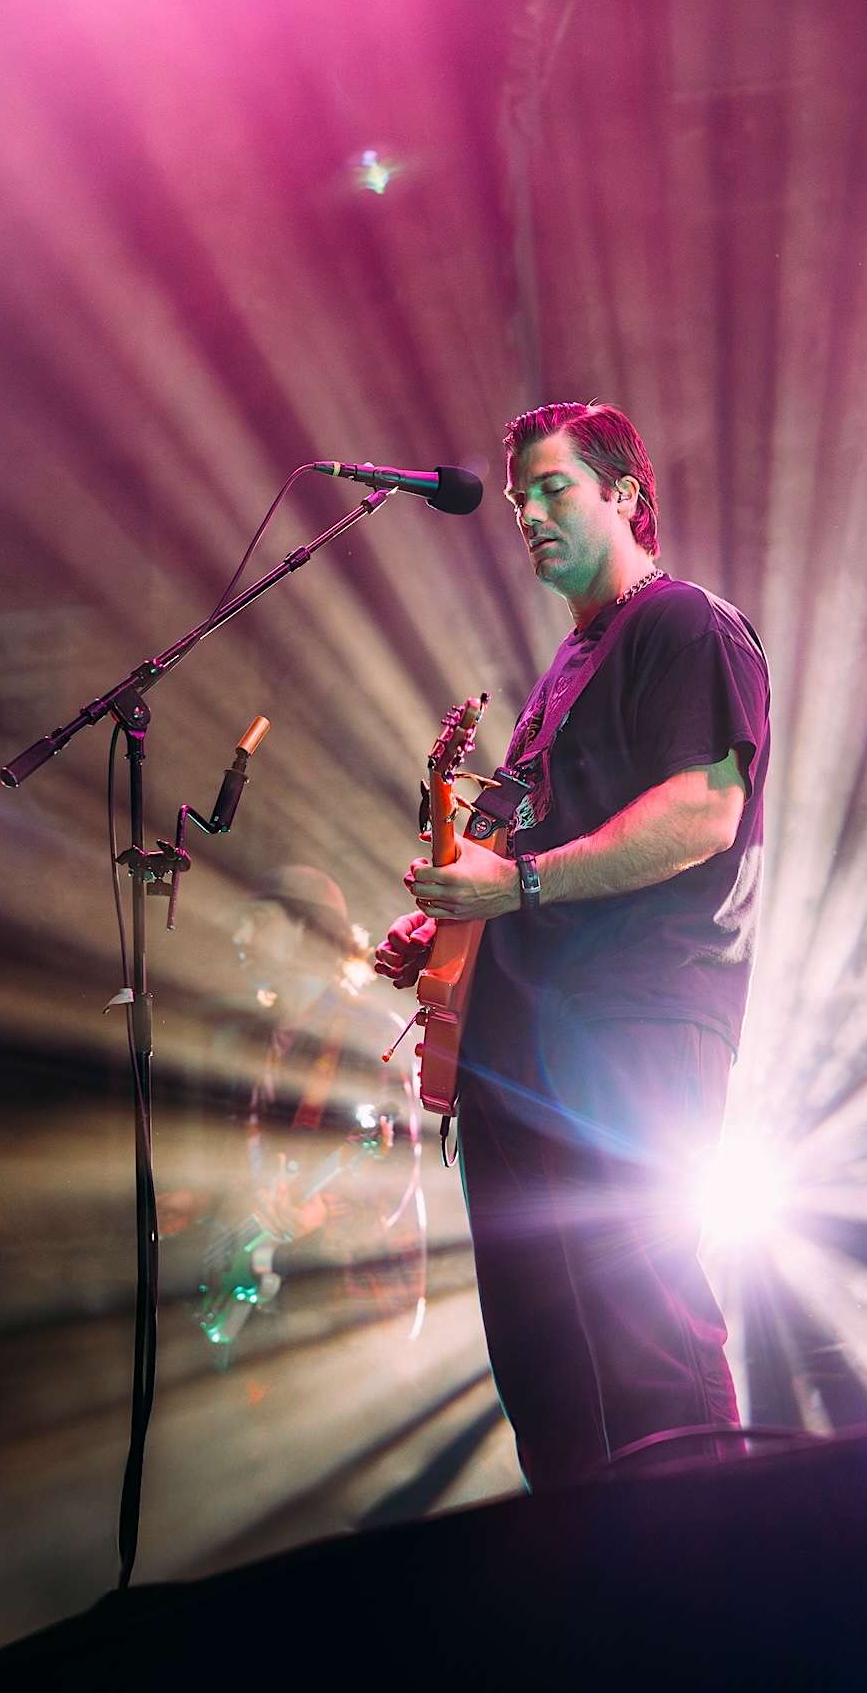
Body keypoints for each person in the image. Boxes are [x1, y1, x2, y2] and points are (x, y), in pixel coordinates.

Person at [375, 401, 770, 1488]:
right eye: (519, 499)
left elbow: (702, 812)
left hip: (629, 1024)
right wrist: (448, 921)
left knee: (647, 1337)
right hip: (518, 1051)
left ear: (625, 494)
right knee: (545, 1371)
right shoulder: (564, 666)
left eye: (554, 488)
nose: (529, 515)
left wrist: (518, 883)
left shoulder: (684, 624)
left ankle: (723, 1568)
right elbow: (531, 844)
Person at [188, 864, 423, 1346]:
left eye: (257, 920)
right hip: (275, 1299)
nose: (240, 935)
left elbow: (397, 1164)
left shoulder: (371, 1033)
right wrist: (208, 1207)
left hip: (352, 1305)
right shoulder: (252, 1038)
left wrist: (326, 1210)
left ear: (306, 928)